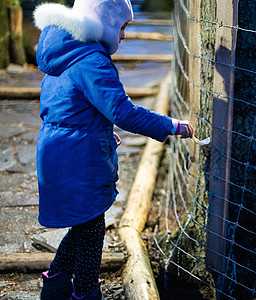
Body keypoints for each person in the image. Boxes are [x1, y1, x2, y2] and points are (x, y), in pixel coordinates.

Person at [33, 0, 193, 299]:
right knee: (92, 229)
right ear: (104, 22)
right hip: (78, 157)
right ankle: (84, 293)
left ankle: (54, 282)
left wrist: (99, 134)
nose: (123, 36)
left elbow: (66, 107)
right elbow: (123, 112)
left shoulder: (61, 53)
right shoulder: (91, 60)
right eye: (122, 27)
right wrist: (171, 126)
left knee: (85, 223)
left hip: (58, 150)